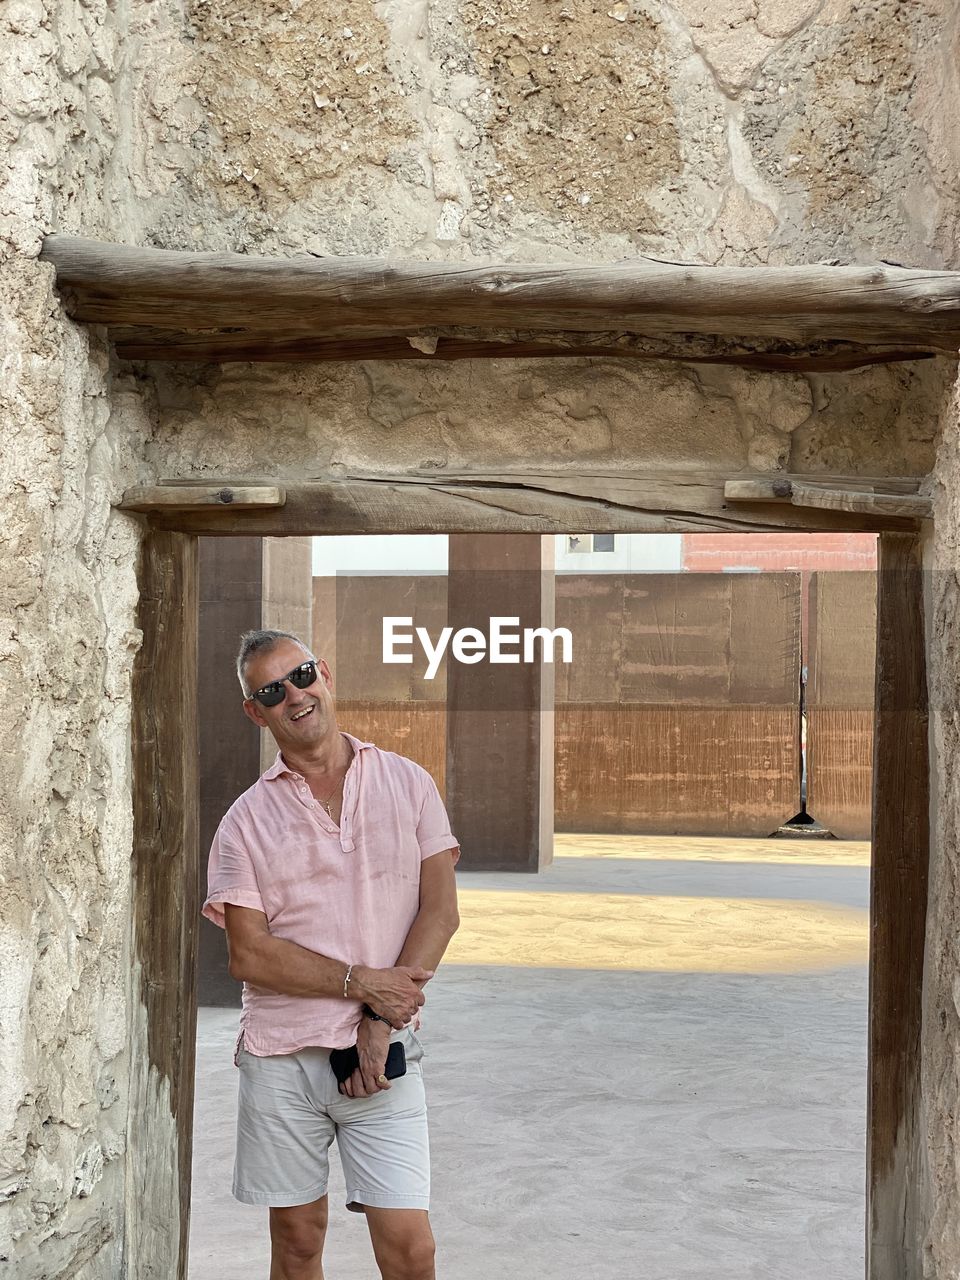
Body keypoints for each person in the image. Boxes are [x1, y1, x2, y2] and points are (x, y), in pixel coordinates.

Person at [202, 628, 460, 1280]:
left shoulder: (409, 784)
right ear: (254, 711)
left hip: (384, 1054)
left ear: (326, 675)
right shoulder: (244, 821)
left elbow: (440, 912)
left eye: (303, 674)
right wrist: (360, 983)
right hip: (281, 1063)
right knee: (296, 1244)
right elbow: (250, 955)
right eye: (272, 689)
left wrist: (378, 1020)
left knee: (410, 1250)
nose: (295, 694)